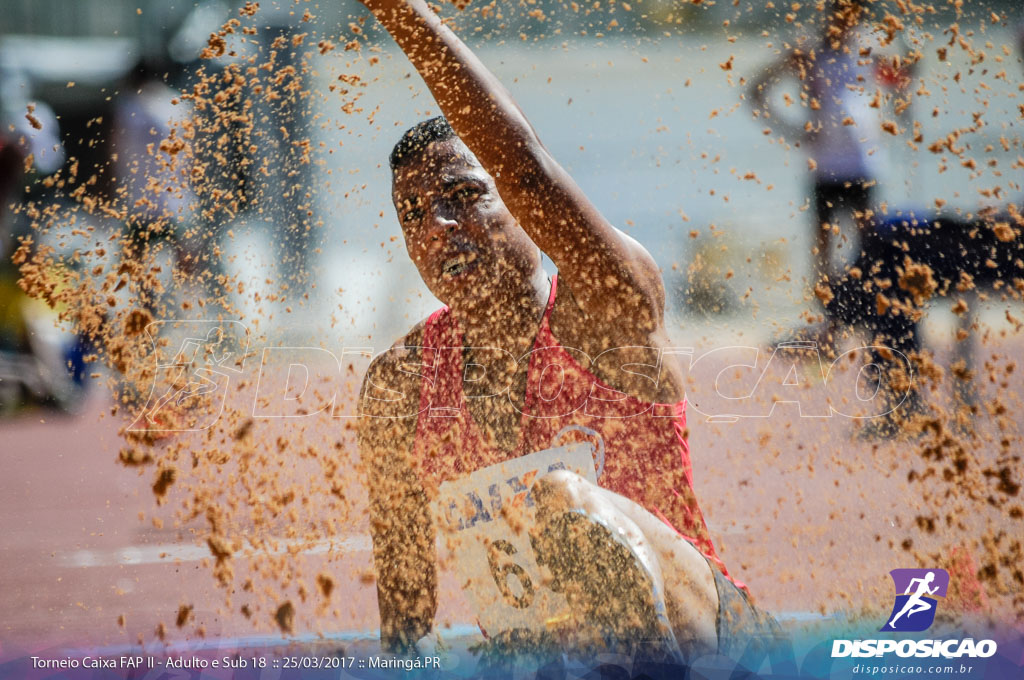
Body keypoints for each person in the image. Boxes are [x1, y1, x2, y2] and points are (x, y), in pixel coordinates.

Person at [353, 0, 778, 667]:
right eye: (415, 214)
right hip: (551, 662)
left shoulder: (602, 309)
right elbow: (406, 623)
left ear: (520, 209)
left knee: (560, 497)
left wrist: (401, 11)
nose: (438, 226)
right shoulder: (400, 385)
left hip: (718, 649)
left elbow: (522, 163)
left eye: (463, 196)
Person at [747, 0, 881, 336]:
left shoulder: (870, 49)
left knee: (872, 248)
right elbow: (756, 90)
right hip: (825, 166)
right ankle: (831, 324)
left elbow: (901, 77)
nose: (847, 21)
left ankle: (870, 316)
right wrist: (791, 130)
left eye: (854, 15)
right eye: (841, 13)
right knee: (824, 254)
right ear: (831, 14)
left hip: (865, 165)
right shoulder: (809, 51)